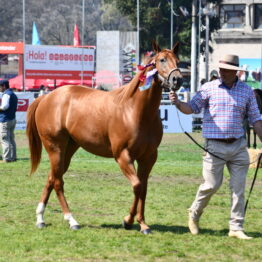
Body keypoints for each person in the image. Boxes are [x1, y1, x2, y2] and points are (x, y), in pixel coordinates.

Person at [169, 54, 262, 240]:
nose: (222, 72)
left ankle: (236, 227)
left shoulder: (247, 91)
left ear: (236, 72)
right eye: (221, 69)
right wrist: (178, 103)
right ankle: (194, 213)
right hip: (214, 146)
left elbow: (256, 119)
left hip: (238, 146)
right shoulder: (208, 88)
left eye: (227, 70)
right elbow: (192, 108)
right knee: (211, 185)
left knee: (238, 188)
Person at [0, 79, 18, 162]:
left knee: (4, 139)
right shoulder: (13, 94)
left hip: (5, 120)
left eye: (0, 87)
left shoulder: (6, 94)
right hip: (12, 119)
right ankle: (13, 157)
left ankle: (6, 158)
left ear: (3, 86)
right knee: (11, 139)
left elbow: (4, 107)